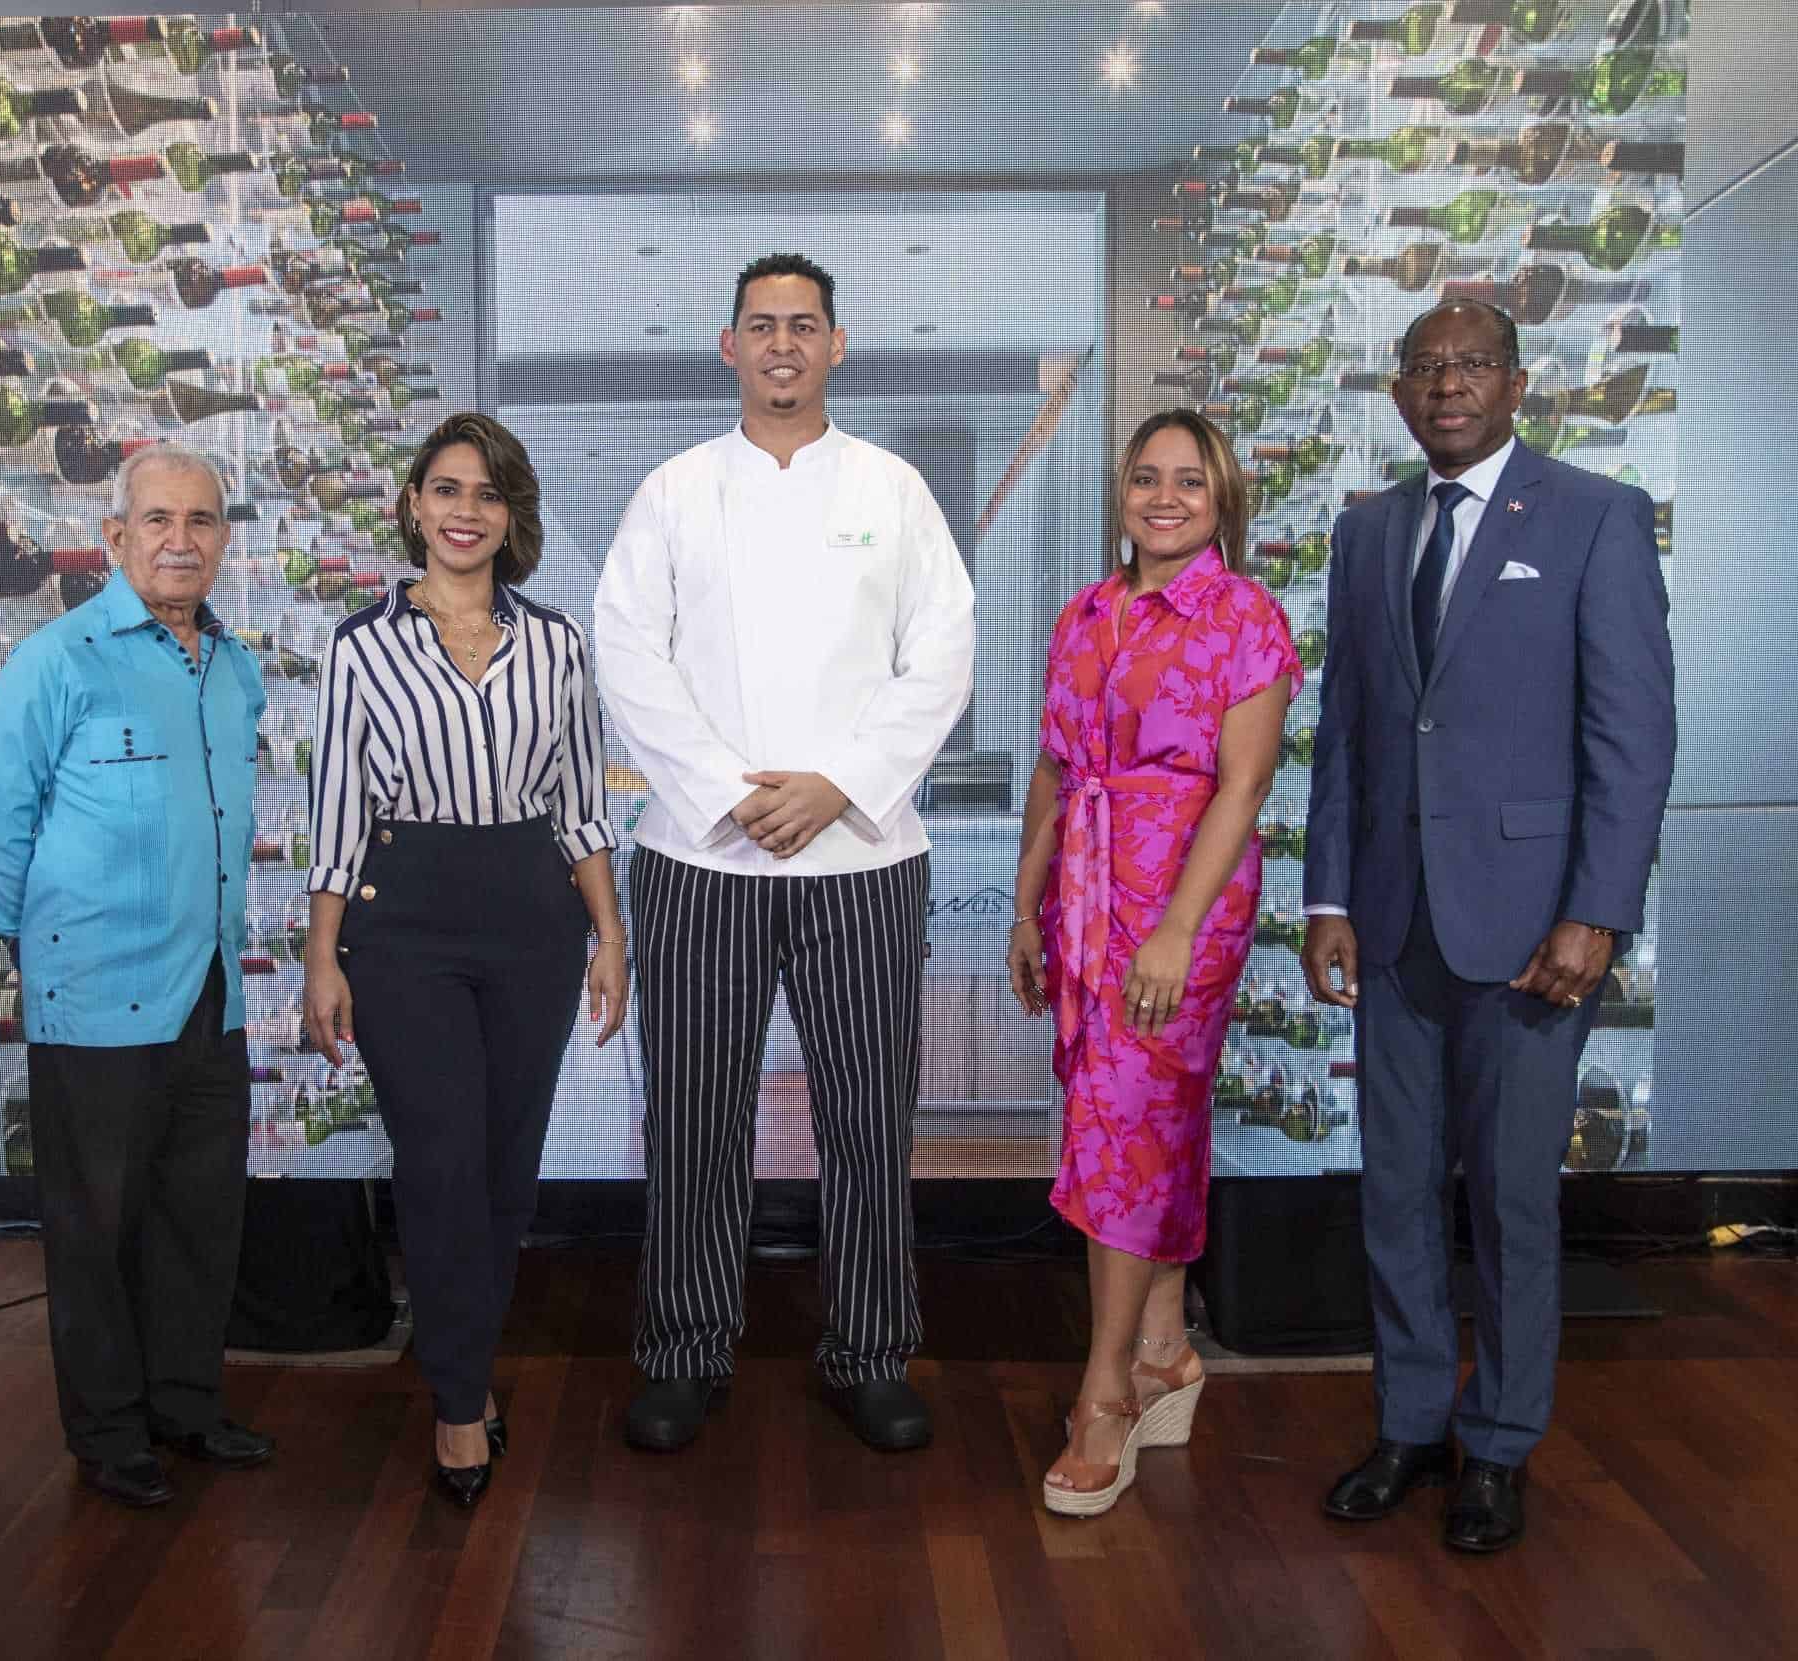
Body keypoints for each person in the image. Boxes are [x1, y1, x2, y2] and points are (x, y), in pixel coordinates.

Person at [1304, 299, 1674, 1553]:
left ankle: (1499, 1445)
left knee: (1511, 1200)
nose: (1444, 384)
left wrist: (1597, 910)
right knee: (1393, 1191)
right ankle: (1410, 1423)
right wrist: (1326, 896)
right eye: (1422, 366)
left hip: (1529, 935)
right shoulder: (1365, 533)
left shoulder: (1594, 516)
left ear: (1516, 383)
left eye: (1468, 365)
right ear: (1398, 392)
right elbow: (1350, 732)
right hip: (1395, 926)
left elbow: (1629, 736)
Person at [593, 252, 975, 1454]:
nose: (780, 345)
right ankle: (685, 1351)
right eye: (759, 325)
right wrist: (724, 795)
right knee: (694, 1117)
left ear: (836, 345)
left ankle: (868, 1351)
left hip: (860, 856)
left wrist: (838, 786)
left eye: (802, 325)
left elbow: (943, 655)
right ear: (727, 346)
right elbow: (627, 655)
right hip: (697, 859)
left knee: (869, 1117)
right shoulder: (672, 491)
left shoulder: (893, 489)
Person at [302, 412, 626, 1510]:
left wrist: (611, 937)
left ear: (509, 516)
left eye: (484, 494)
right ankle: (454, 1401)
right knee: (438, 1159)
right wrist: (320, 955)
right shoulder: (361, 646)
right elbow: (339, 808)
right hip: (403, 928)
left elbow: (579, 804)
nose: (462, 511)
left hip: (533, 922)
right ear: (412, 506)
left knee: (501, 1170)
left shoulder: (556, 645)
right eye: (444, 489)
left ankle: (465, 1366)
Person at [0, 444, 273, 1509]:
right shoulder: (58, 662)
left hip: (209, 990)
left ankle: (185, 1406)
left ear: (223, 539)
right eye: (157, 520)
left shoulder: (236, 668)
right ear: (115, 539)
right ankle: (107, 1434)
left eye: (200, 519)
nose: (180, 539)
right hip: (90, 997)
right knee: (94, 1229)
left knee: (199, 1215)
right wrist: (40, 951)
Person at [1007, 410, 1298, 1517]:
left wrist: (1174, 929)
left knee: (1120, 1138)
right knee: (1132, 1120)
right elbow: (1054, 763)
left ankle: (1103, 1396)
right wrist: (1028, 905)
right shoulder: (1086, 611)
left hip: (1182, 899)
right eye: (1144, 477)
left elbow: (1243, 786)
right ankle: (1166, 1346)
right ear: (1120, 492)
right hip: (1083, 894)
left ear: (1220, 496)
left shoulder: (1245, 619)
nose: (1163, 496)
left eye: (1187, 479)